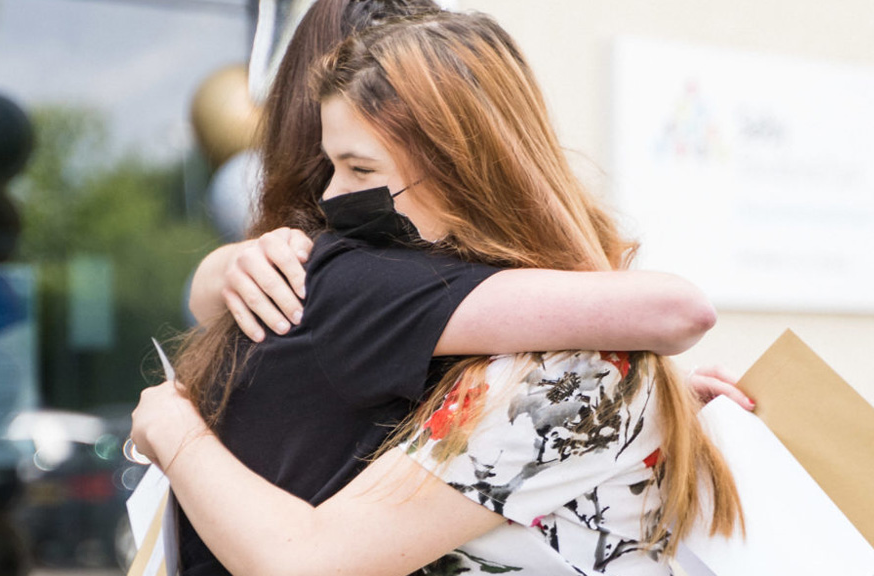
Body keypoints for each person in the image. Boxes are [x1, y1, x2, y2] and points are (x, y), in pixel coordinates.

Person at [134, 9, 745, 576]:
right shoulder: (375, 285)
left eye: (360, 169)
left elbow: (677, 311)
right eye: (333, 166)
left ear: (457, 165)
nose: (332, 199)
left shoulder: (391, 292)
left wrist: (630, 404)